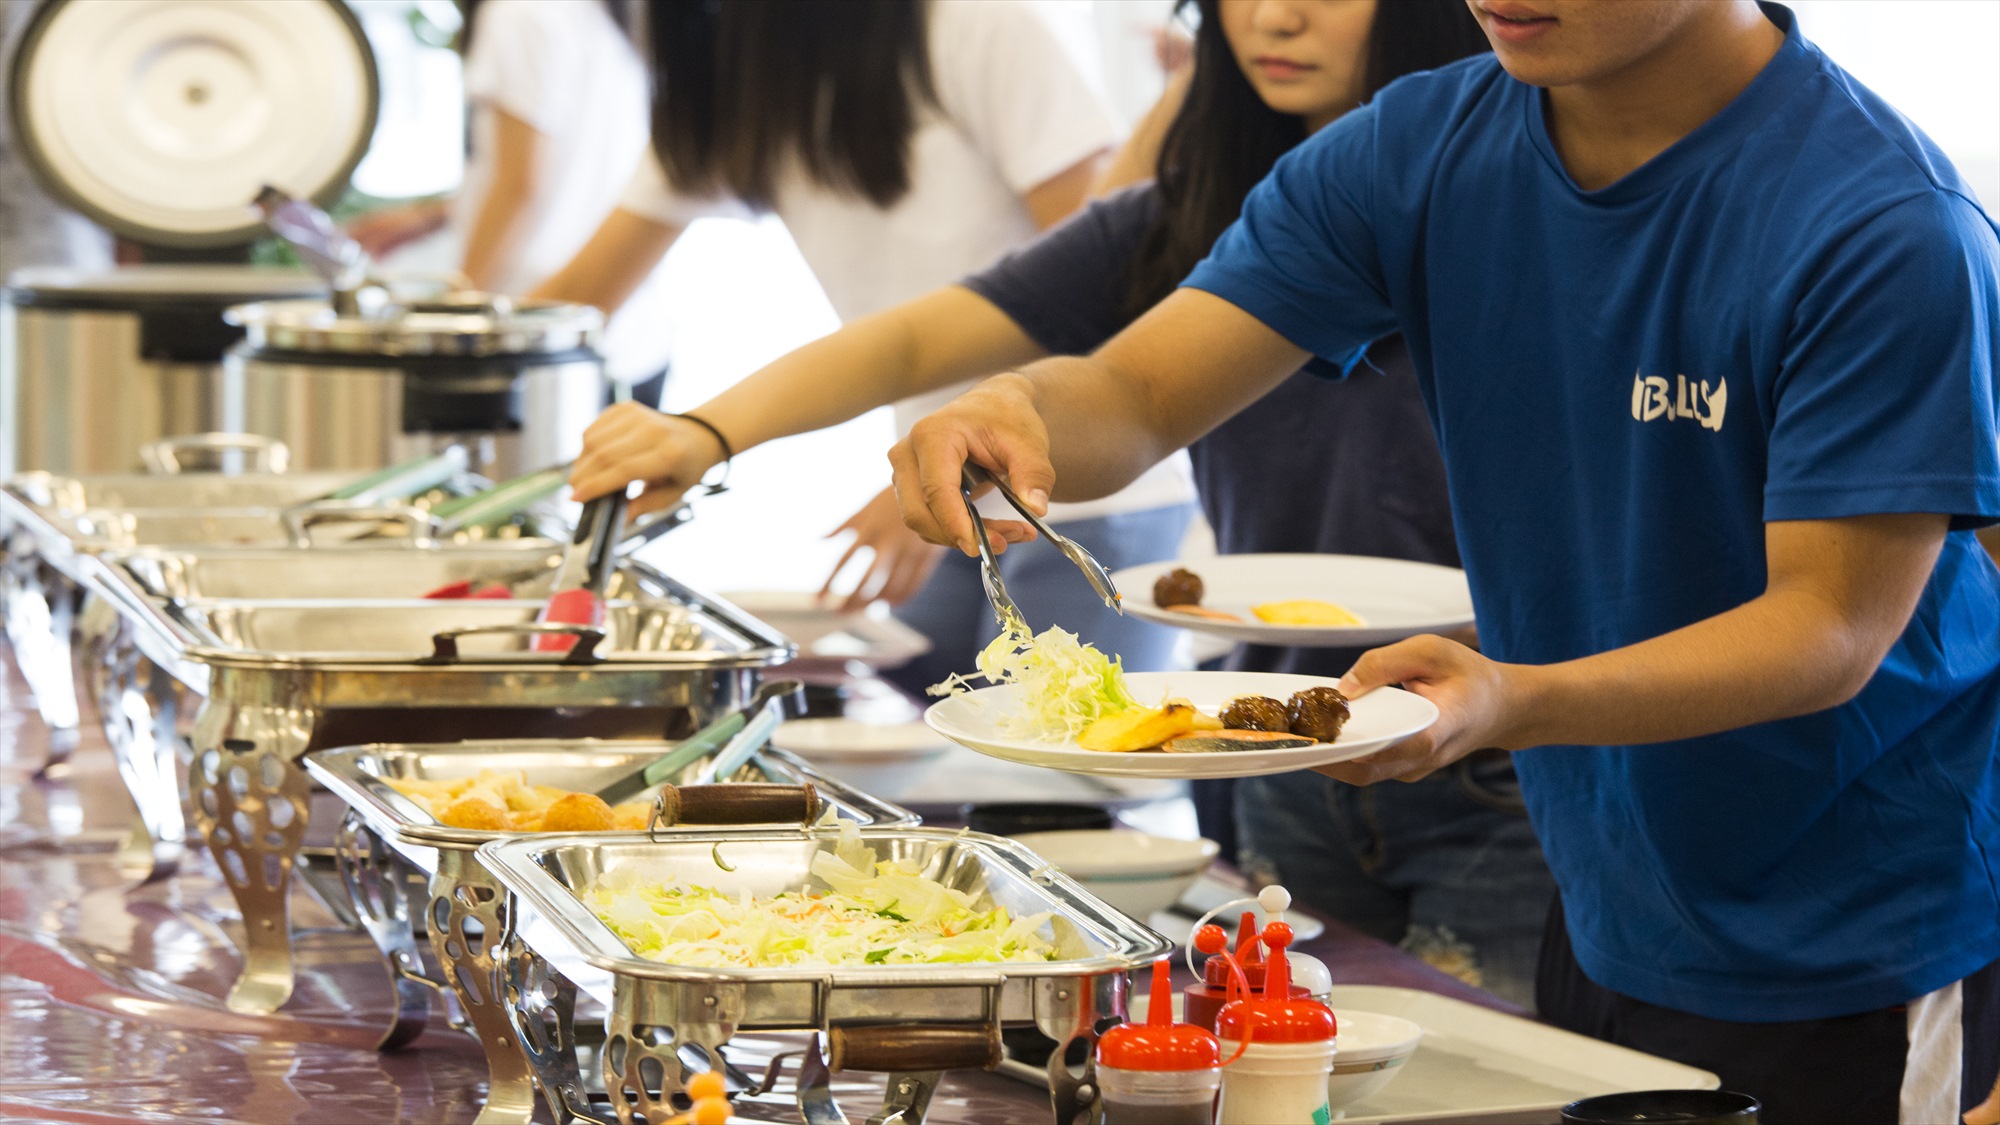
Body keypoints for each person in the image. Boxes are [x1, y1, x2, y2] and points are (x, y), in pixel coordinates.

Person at [888, 1, 2000, 1120]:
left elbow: (1827, 630)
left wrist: (1508, 699)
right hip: (1602, 890)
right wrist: (1016, 408)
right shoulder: (1413, 147)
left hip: (1847, 929)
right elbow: (1135, 394)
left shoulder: (1879, 221)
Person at [549, 0, 1195, 678]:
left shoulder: (981, 27)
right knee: (899, 720)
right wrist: (701, 431)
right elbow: (578, 292)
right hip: (941, 485)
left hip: (1084, 489)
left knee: (1040, 769)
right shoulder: (738, 82)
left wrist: (958, 470)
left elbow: (1106, 302)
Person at [347, 0, 674, 402]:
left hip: (544, 331)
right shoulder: (604, 15)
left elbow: (520, 187)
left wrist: (461, 310)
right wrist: (432, 216)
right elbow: (569, 166)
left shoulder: (518, 14)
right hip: (632, 335)